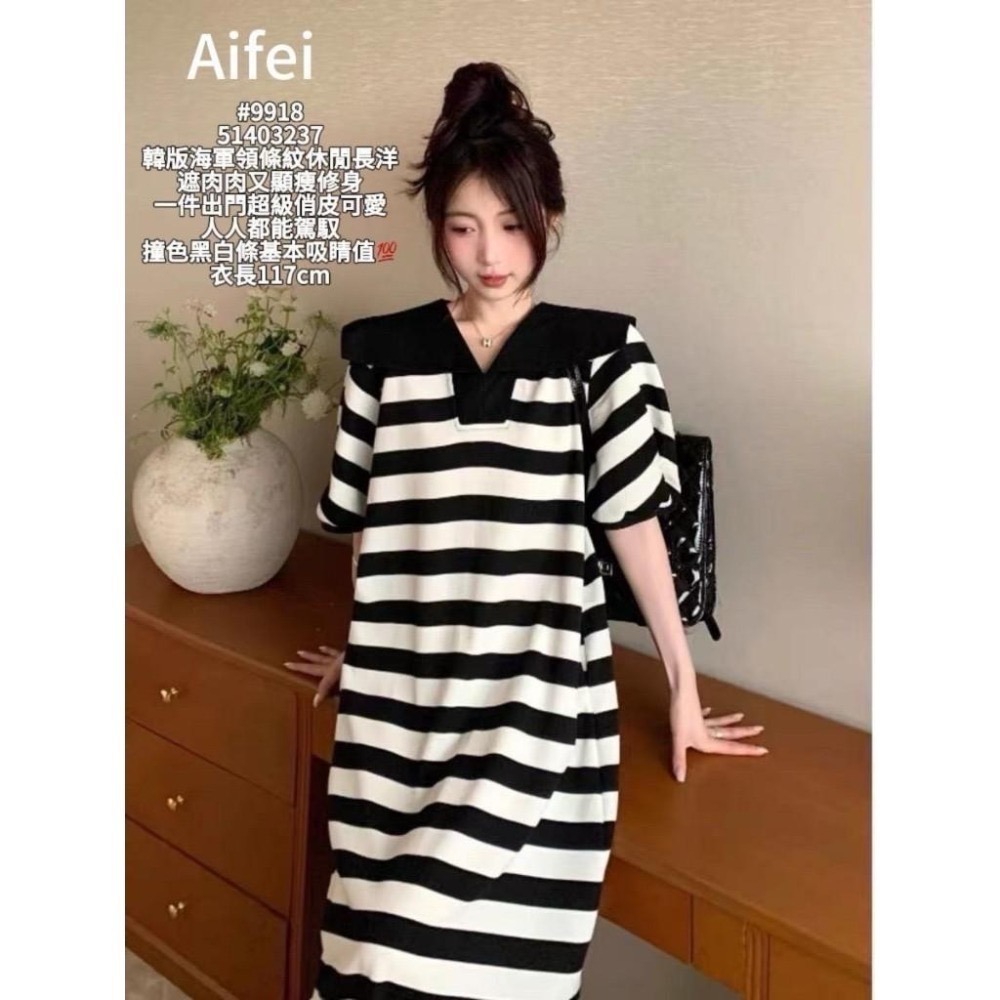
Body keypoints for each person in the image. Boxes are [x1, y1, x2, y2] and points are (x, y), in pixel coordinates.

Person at [285, 61, 767, 1000]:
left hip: (536, 698)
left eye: (511, 224)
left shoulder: (603, 352)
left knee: (466, 958)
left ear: (549, 218)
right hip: (402, 700)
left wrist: (683, 686)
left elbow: (633, 525)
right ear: (438, 230)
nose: (489, 253)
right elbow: (373, 525)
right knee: (362, 956)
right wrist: (364, 646)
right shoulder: (382, 354)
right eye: (463, 227)